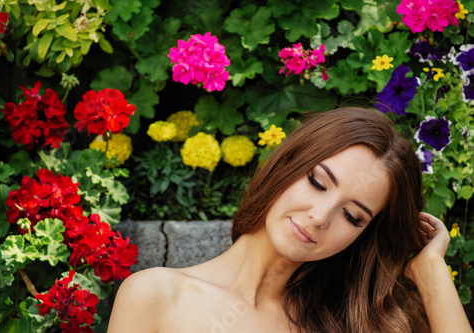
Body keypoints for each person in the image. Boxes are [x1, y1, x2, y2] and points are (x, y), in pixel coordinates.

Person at [108, 107, 471, 332]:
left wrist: (430, 270)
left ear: (364, 235)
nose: (319, 217)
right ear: (287, 165)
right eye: (317, 182)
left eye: (352, 215)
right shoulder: (155, 296)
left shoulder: (354, 323)